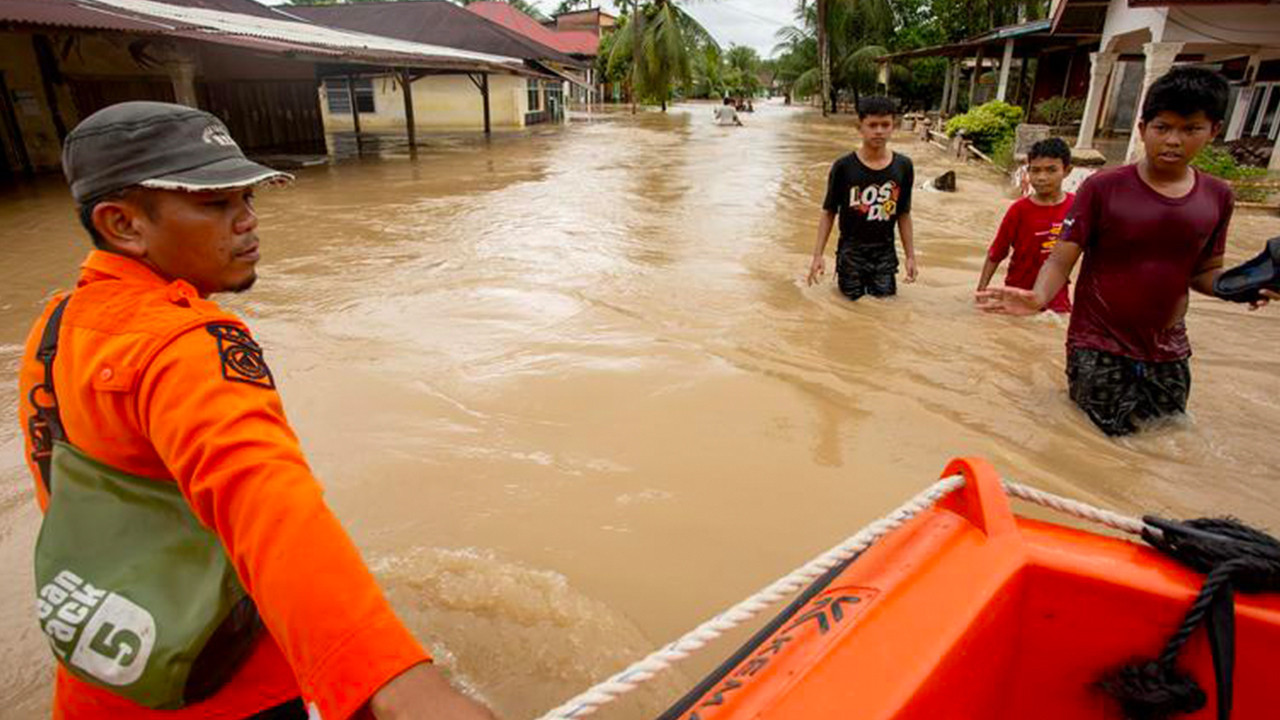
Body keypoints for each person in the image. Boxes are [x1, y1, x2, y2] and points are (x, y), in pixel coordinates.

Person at [18, 102, 497, 719]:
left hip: (101, 676)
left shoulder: (55, 326)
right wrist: (400, 682)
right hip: (227, 686)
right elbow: (266, 504)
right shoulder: (189, 342)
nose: (248, 222)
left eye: (246, 199)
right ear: (124, 224)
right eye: (216, 205)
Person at [976, 67, 1276, 436]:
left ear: (1213, 131)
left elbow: (1204, 271)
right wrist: (1037, 297)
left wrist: (1241, 286)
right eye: (1162, 127)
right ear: (1142, 128)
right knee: (1092, 442)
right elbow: (1060, 258)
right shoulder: (1103, 188)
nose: (1173, 141)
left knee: (1165, 444)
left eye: (1190, 129)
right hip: (1097, 344)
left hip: (1169, 348)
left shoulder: (1218, 196)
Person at [807, 95, 917, 300]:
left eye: (885, 125)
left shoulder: (903, 166)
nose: (879, 131)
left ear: (894, 126)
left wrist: (910, 256)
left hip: (885, 252)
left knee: (885, 306)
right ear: (860, 127)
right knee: (850, 307)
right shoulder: (844, 167)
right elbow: (829, 211)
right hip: (851, 252)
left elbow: (903, 213)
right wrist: (818, 255)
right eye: (872, 125)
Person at [976, 137, 1075, 314]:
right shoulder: (1019, 210)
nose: (1042, 177)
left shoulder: (1077, 208)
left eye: (1051, 170)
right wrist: (981, 291)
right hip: (1017, 296)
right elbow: (996, 252)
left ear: (1067, 171)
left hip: (1057, 301)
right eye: (1035, 171)